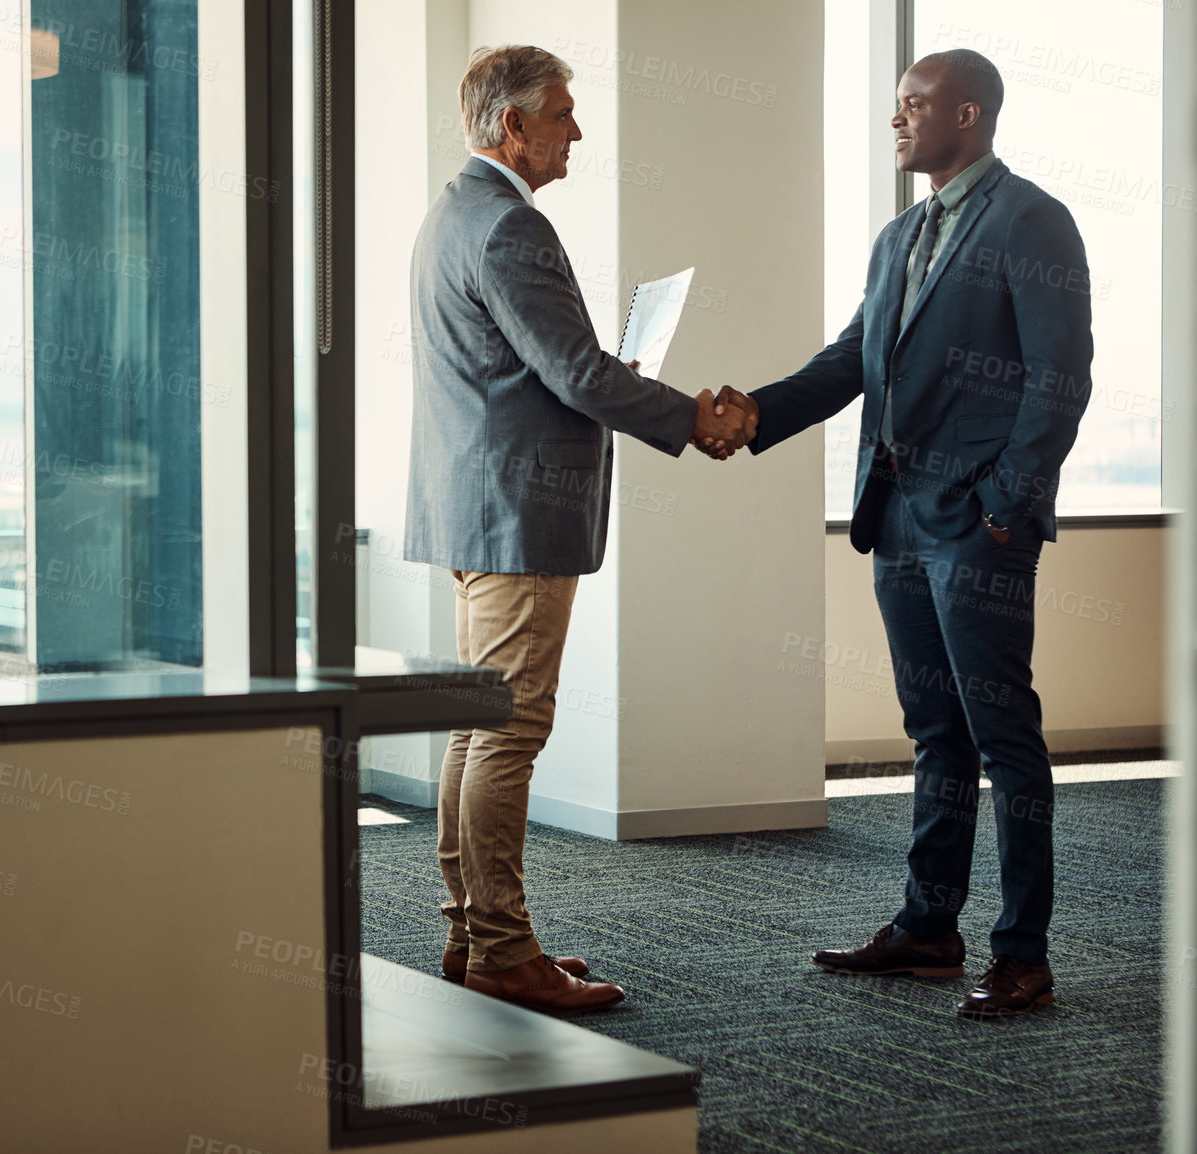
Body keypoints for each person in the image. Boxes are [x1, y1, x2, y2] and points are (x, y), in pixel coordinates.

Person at [729, 49, 1093, 1017]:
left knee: (1001, 733)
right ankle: (929, 927)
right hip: (895, 521)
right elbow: (847, 361)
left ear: (965, 114)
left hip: (976, 527)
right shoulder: (898, 238)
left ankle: (1023, 953)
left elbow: (1060, 378)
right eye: (894, 107)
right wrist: (741, 416)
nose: (896, 121)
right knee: (933, 730)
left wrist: (1004, 506)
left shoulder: (1033, 219)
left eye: (913, 106)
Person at [405, 44, 753, 1012]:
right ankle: (503, 950)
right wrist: (693, 415)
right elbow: (576, 375)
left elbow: (549, 365)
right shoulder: (510, 227)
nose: (577, 130)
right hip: (517, 513)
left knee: (477, 728)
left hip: (475, 505)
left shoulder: (453, 215)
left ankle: (473, 934)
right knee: (509, 729)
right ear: (511, 125)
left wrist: (628, 379)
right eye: (561, 113)